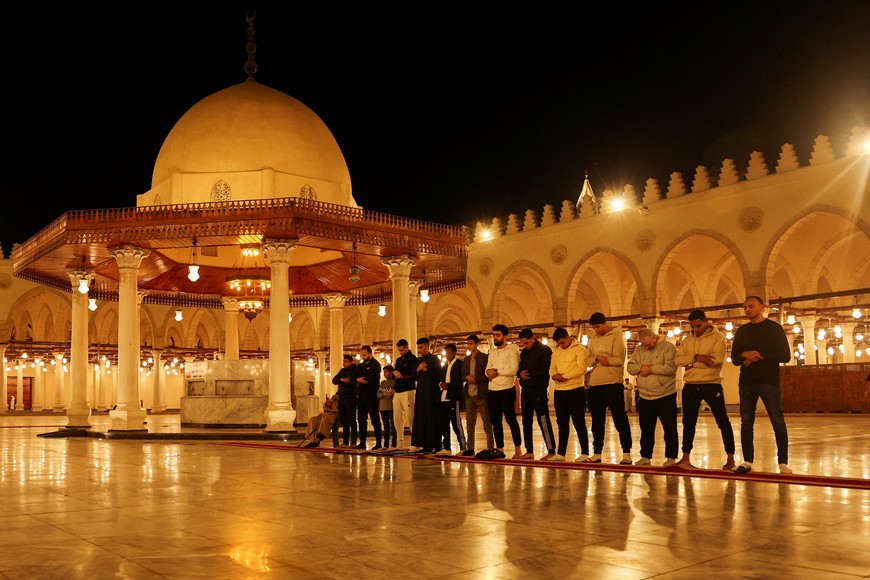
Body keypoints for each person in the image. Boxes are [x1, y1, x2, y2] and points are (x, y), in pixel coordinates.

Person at [730, 295, 792, 474]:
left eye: (751, 306)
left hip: (768, 381)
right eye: (745, 307)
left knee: (777, 420)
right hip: (747, 383)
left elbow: (784, 355)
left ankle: (783, 462)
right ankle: (747, 460)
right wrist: (744, 354)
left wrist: (756, 355)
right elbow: (734, 358)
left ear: (762, 307)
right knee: (746, 423)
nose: (748, 309)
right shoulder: (742, 331)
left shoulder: (774, 329)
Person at [674, 309, 735, 471]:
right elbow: (678, 360)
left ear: (706, 321)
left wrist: (692, 364)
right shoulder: (687, 340)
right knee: (688, 422)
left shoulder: (718, 338)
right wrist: (696, 358)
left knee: (722, 421)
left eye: (698, 326)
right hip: (691, 385)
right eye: (692, 327)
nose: (695, 329)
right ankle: (685, 457)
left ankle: (730, 458)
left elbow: (715, 360)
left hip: (711, 383)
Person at [585, 312, 633, 464]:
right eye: (593, 328)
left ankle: (626, 453)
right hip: (596, 384)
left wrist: (603, 360)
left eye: (598, 327)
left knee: (620, 418)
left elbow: (619, 360)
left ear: (605, 324)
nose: (596, 330)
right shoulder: (592, 340)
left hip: (612, 383)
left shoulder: (617, 337)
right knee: (597, 421)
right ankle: (597, 452)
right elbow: (587, 359)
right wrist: (599, 358)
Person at [627, 327, 678, 467]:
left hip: (665, 394)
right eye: (643, 345)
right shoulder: (639, 350)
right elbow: (630, 367)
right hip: (644, 395)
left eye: (648, 344)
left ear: (654, 337)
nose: (646, 347)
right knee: (646, 429)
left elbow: (670, 368)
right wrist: (640, 368)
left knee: (669, 428)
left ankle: (671, 457)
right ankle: (645, 456)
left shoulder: (669, 348)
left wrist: (650, 369)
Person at [477, 324, 523, 460]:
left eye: (497, 335)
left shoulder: (512, 350)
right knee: (495, 421)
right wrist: (488, 372)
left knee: (511, 419)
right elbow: (487, 370)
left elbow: (513, 370)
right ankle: (500, 449)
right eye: (494, 335)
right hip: (492, 390)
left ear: (505, 336)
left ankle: (518, 449)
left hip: (507, 390)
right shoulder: (492, 351)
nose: (495, 338)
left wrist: (496, 372)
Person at [547, 327, 592, 462]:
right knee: (562, 423)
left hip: (575, 390)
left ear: (568, 337)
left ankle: (584, 452)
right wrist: (554, 376)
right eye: (559, 343)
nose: (561, 345)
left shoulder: (580, 350)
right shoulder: (556, 351)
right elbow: (552, 368)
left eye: (562, 342)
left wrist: (565, 377)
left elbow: (581, 368)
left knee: (579, 421)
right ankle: (561, 453)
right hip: (560, 391)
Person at [516, 328, 555, 460]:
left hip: (539, 390)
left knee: (543, 419)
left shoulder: (544, 350)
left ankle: (551, 450)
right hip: (526, 390)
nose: (524, 346)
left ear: (532, 338)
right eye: (522, 344)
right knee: (526, 421)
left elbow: (545, 370)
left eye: (526, 343)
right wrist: (519, 374)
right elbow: (520, 369)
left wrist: (530, 374)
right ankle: (529, 451)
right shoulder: (524, 353)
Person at [460, 334, 493, 456]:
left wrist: (476, 380)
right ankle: (470, 448)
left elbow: (486, 374)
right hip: (469, 394)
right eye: (468, 344)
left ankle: (490, 447)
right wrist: (467, 377)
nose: (469, 346)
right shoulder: (466, 359)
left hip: (481, 394)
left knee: (486, 422)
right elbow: (462, 375)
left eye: (471, 343)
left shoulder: (484, 358)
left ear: (477, 344)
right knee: (470, 423)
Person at [411, 337, 443, 453]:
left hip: (432, 392)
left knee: (432, 418)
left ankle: (434, 444)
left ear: (428, 346)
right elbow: (413, 376)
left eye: (421, 347)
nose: (419, 350)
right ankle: (423, 444)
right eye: (418, 347)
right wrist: (418, 369)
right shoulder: (418, 361)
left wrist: (426, 370)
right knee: (421, 417)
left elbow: (439, 374)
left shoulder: (434, 359)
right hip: (421, 393)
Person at [436, 343, 466, 456]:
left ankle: (463, 447)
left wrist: (448, 386)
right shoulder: (445, 365)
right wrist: (441, 384)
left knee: (456, 424)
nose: (447, 355)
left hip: (453, 397)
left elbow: (458, 380)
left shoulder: (459, 364)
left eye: (449, 353)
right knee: (443, 423)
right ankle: (447, 447)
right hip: (444, 398)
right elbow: (440, 378)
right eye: (446, 353)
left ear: (454, 352)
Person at [355, 345, 383, 450]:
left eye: (364, 355)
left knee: (375, 419)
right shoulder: (361, 366)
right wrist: (358, 380)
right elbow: (356, 377)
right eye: (361, 355)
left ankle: (379, 442)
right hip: (361, 396)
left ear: (370, 354)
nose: (362, 357)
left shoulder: (376, 365)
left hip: (372, 396)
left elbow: (372, 379)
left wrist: (362, 380)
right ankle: (362, 442)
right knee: (361, 419)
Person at [392, 338, 417, 450]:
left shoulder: (413, 359)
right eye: (399, 350)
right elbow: (395, 375)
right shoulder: (398, 360)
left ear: (407, 347)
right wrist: (395, 373)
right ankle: (400, 443)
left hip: (408, 391)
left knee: (410, 417)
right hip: (397, 391)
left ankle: (415, 443)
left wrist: (399, 373)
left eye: (402, 350)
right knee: (397, 419)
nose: (400, 352)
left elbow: (412, 374)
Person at [331, 354, 358, 448]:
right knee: (345, 421)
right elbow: (334, 380)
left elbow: (355, 380)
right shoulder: (342, 371)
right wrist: (341, 379)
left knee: (352, 421)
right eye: (343, 361)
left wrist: (348, 380)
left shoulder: (355, 370)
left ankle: (353, 442)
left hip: (350, 398)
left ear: (351, 362)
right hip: (341, 399)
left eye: (346, 362)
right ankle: (345, 442)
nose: (344, 363)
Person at [378, 365, 397, 449]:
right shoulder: (383, 383)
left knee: (393, 426)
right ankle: (385, 444)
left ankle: (394, 444)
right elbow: (378, 394)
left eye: (386, 371)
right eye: (384, 372)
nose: (385, 373)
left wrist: (384, 394)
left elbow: (391, 394)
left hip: (391, 407)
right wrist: (384, 394)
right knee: (386, 427)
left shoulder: (394, 382)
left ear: (391, 372)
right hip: (383, 407)